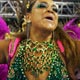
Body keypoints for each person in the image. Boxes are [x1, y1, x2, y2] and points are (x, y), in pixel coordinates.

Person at [0, 0, 80, 80]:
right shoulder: (11, 47)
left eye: (55, 9)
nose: (50, 10)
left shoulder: (71, 48)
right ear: (28, 17)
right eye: (42, 6)